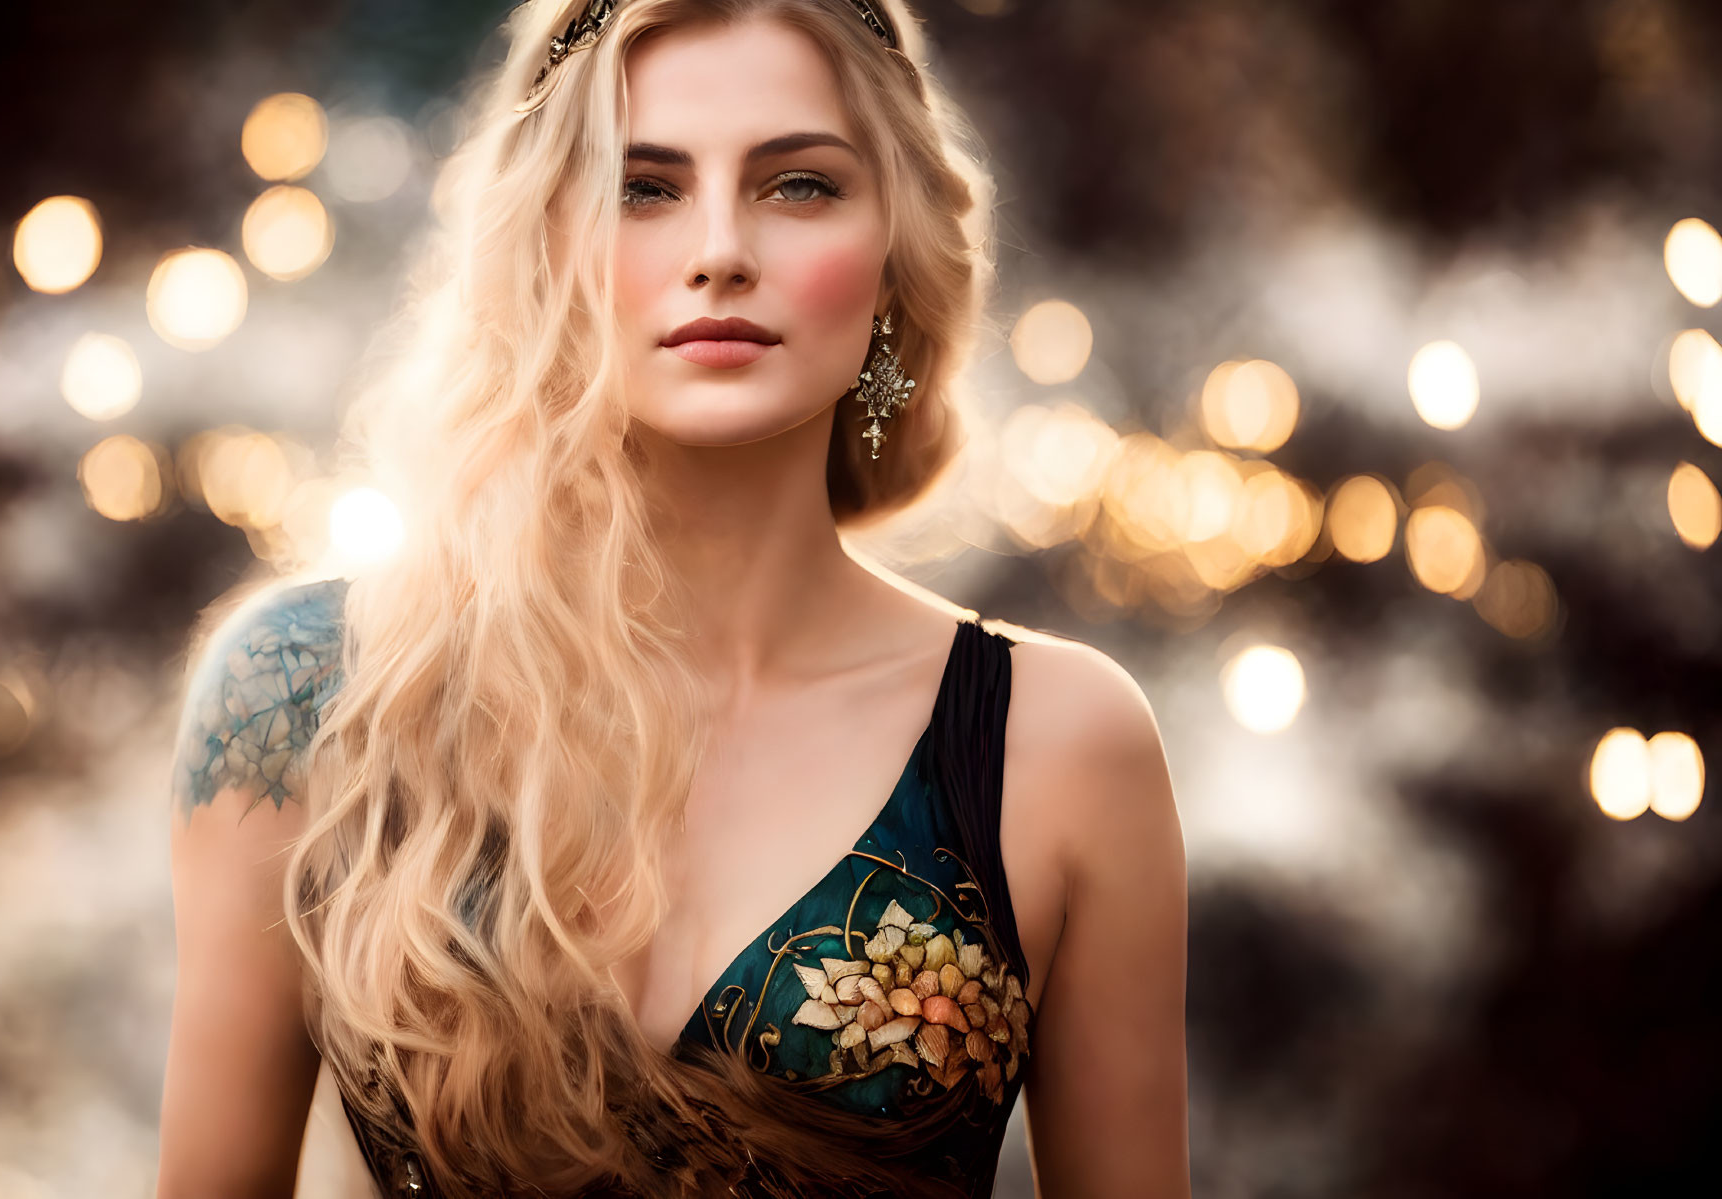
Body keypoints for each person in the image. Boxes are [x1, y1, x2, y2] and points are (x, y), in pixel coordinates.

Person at [154, 0, 1189, 1195]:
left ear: (898, 248)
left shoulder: (1057, 743)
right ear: (546, 246)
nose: (719, 249)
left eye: (797, 185)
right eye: (643, 186)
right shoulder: (308, 696)